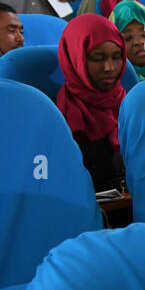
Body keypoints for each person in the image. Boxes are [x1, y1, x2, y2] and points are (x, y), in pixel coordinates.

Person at [56, 14, 128, 192]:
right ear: (75, 58)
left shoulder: (133, 104)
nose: (110, 68)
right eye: (98, 58)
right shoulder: (59, 115)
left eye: (116, 56)